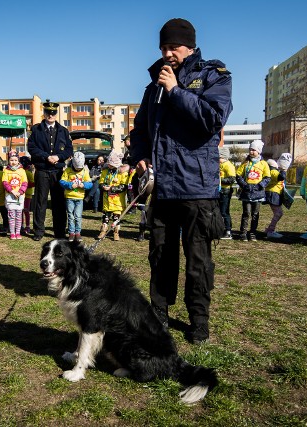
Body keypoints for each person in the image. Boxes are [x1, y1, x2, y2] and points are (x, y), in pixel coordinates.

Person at [129, 18, 232, 344]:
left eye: (173, 47)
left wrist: (175, 91)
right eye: (163, 47)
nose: (167, 53)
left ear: (189, 46)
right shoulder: (153, 86)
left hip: (197, 188)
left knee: (198, 260)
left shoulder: (213, 76)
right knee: (160, 256)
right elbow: (140, 130)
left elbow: (211, 121)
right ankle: (158, 316)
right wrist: (141, 155)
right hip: (162, 187)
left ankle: (198, 320)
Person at [27, 101, 73, 241]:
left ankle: (59, 232)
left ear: (56, 114)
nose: (50, 115)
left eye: (53, 113)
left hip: (57, 172)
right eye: (48, 113)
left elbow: (69, 150)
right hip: (42, 170)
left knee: (58, 203)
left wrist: (58, 157)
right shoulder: (36, 129)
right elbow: (32, 148)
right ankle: (39, 231)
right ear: (44, 113)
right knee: (40, 202)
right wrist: (46, 157)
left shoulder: (63, 131)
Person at [236, 140, 271, 241]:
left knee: (255, 214)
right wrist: (244, 185)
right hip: (246, 192)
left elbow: (267, 177)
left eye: (253, 150)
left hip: (258, 193)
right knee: (246, 213)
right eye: (250, 149)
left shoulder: (264, 164)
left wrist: (260, 185)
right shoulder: (245, 163)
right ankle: (243, 233)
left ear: (259, 151)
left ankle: (252, 232)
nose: (251, 152)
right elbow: (238, 175)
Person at [60, 151, 93, 242]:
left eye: (80, 168)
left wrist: (84, 185)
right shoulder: (67, 171)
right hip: (70, 197)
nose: (78, 170)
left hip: (79, 198)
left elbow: (90, 184)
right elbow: (62, 182)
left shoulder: (85, 172)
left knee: (78, 216)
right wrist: (70, 185)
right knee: (70, 215)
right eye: (76, 168)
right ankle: (71, 232)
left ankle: (78, 232)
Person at [97, 150, 129, 241]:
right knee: (106, 216)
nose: (110, 165)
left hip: (117, 200)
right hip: (107, 199)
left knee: (116, 217)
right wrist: (103, 187)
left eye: (112, 164)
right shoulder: (105, 171)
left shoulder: (123, 173)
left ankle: (116, 232)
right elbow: (101, 182)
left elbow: (123, 186)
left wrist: (111, 188)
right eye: (109, 163)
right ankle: (103, 231)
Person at [263, 153, 292, 239]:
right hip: (273, 194)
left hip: (274, 194)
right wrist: (283, 169)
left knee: (278, 213)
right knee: (278, 213)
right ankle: (271, 231)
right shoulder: (273, 172)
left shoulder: (271, 171)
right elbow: (281, 177)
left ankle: (269, 229)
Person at [2, 150, 28, 240]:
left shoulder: (22, 171)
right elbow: (5, 182)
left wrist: (20, 192)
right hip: (10, 196)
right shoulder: (6, 171)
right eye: (11, 160)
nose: (13, 162)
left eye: (15, 160)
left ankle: (18, 232)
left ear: (18, 161)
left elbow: (25, 183)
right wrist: (12, 191)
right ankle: (12, 233)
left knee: (18, 215)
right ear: (9, 161)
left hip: (20, 197)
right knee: (11, 216)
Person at [218, 146, 235, 239]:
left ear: (224, 157)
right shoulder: (219, 165)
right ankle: (220, 229)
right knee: (219, 211)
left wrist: (220, 180)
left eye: (219, 157)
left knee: (224, 212)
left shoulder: (228, 165)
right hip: (219, 191)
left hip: (225, 191)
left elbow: (232, 179)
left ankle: (228, 231)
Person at [20, 156, 35, 235]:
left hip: (27, 195)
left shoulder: (28, 173)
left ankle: (27, 226)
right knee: (21, 211)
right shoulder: (20, 172)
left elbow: (33, 183)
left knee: (25, 210)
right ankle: (21, 225)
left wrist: (24, 185)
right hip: (20, 195)